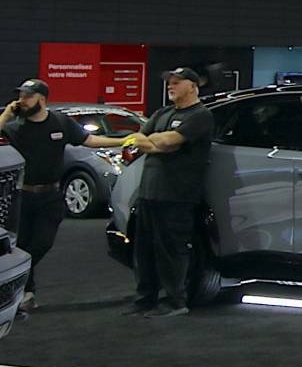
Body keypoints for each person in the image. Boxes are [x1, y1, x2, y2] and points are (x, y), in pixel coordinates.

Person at [0, 80, 123, 314]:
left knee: (41, 243)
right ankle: (27, 295)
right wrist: (6, 114)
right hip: (23, 196)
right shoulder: (15, 127)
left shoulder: (60, 122)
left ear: (41, 99)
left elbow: (89, 140)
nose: (22, 101)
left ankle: (17, 282)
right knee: (22, 245)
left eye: (27, 96)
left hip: (51, 196)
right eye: (20, 96)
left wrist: (124, 140)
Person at [126, 68, 217, 318]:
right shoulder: (162, 113)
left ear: (193, 86)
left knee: (171, 250)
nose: (171, 86)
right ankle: (145, 300)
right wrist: (157, 143)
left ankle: (175, 301)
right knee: (144, 251)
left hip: (177, 194)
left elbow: (168, 141)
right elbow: (138, 139)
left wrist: (157, 141)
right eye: (169, 82)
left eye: (177, 82)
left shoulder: (200, 115)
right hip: (148, 193)